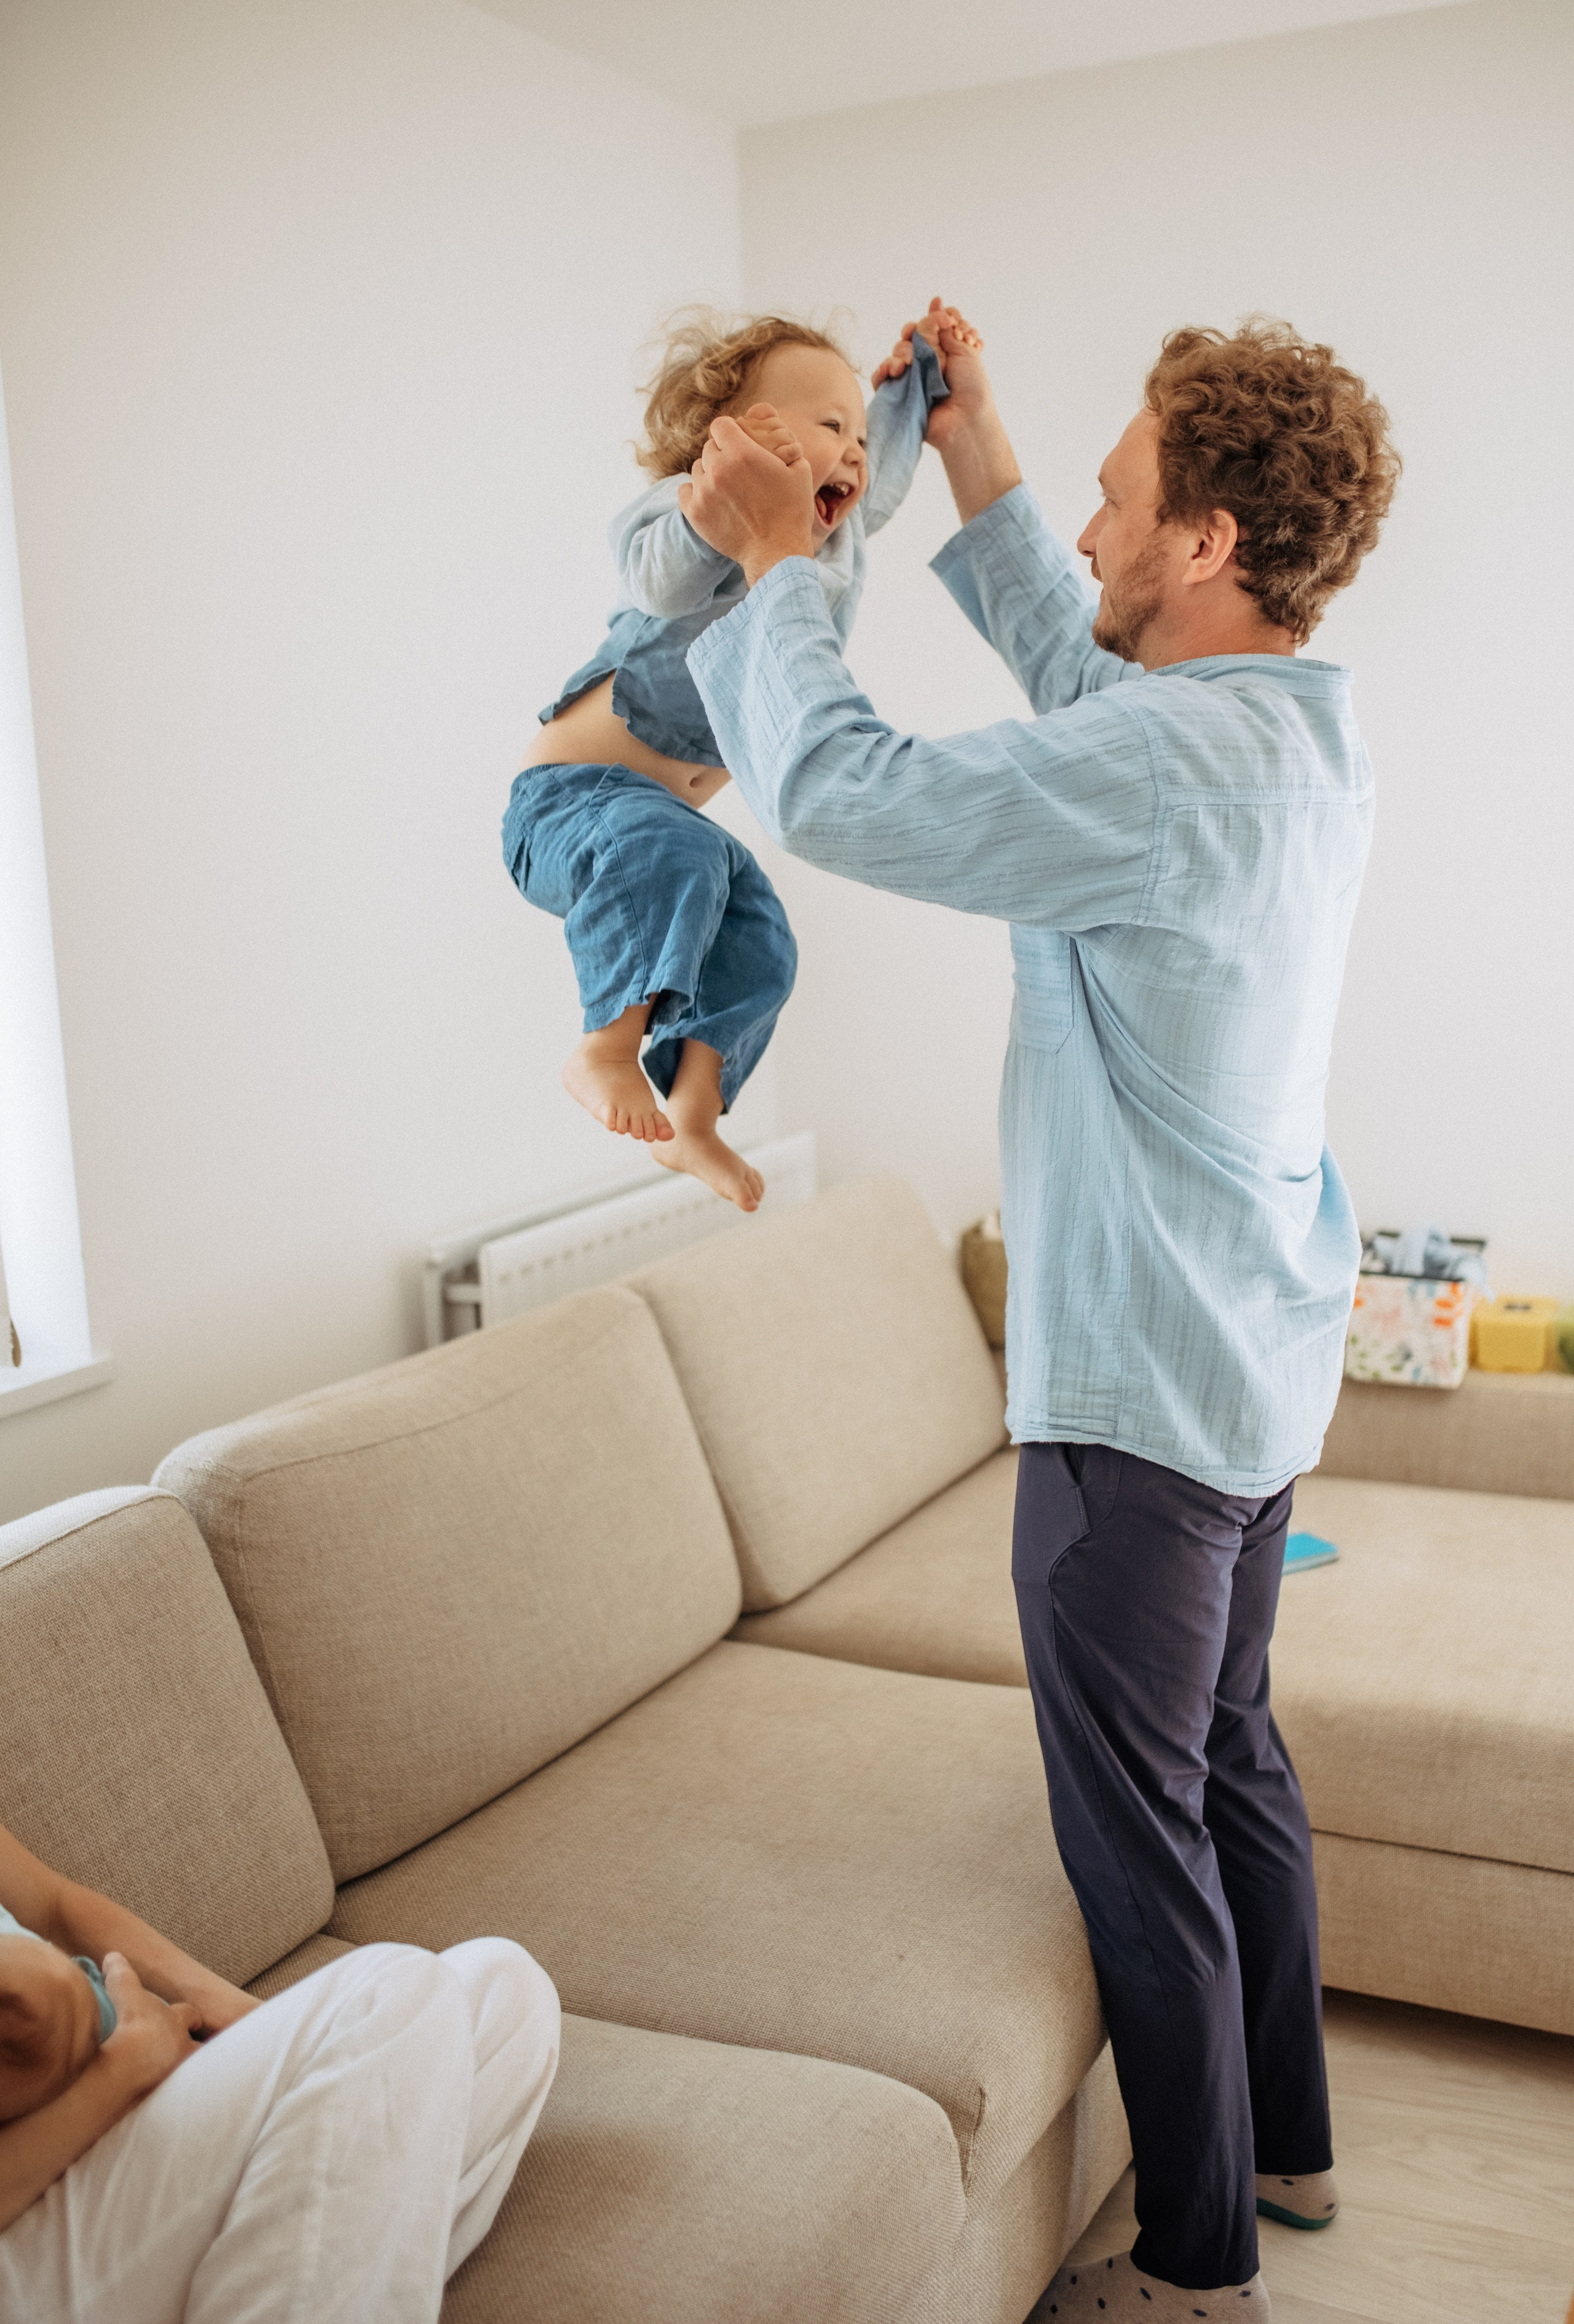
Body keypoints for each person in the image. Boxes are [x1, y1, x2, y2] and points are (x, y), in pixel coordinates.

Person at [678, 309, 1400, 2323]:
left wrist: (779, 567)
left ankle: (1195, 2270)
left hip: (1139, 1405)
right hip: (1252, 1375)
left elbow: (834, 785)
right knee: (1235, 1761)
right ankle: (1299, 2151)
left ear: (1204, 540)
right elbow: (1099, 684)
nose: (1085, 520)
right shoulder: (1294, 726)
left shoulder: (1165, 771)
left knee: (1138, 1836)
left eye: (1114, 492)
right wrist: (979, 461)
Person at [501, 299, 978, 1212]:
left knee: (762, 939)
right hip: (567, 805)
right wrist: (722, 507)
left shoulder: (833, 541)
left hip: (662, 835)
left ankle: (693, 1115)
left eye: (858, 437)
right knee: (672, 851)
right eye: (828, 424)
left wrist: (918, 378)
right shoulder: (698, 506)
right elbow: (658, 575)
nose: (852, 451)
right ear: (731, 434)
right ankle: (605, 1046)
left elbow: (885, 471)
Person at [0, 1819, 560, 2321]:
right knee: (394, 1991)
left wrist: (247, 2021)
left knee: (505, 1987)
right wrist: (120, 2075)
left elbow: (52, 1906)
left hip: (120, 2124)